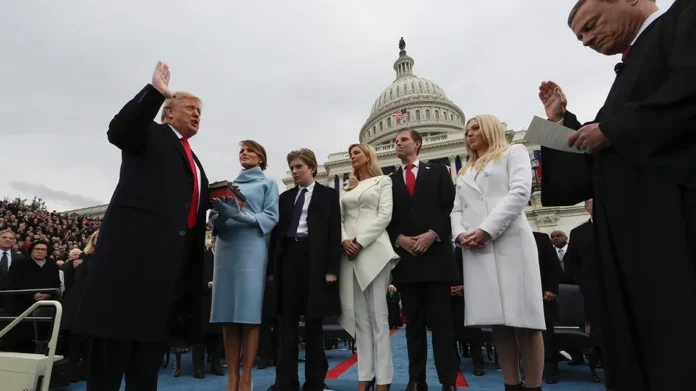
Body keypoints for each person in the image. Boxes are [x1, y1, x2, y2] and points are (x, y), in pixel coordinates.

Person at [538, 1, 696, 389]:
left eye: (590, 25)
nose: (587, 40)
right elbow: (597, 164)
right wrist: (562, 123)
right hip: (631, 243)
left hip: (675, 229)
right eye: (579, 36)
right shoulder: (629, 66)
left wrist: (612, 130)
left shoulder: (684, 18)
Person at [74, 61, 210, 391]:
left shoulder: (193, 159)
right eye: (190, 108)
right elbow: (118, 130)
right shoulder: (151, 133)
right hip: (129, 271)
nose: (196, 115)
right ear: (169, 112)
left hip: (164, 280)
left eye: (200, 112)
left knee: (144, 369)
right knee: (109, 363)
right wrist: (154, 92)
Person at [450, 115, 545, 391]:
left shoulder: (512, 153)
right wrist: (459, 235)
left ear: (491, 128)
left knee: (525, 321)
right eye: (467, 130)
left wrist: (486, 230)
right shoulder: (464, 171)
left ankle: (533, 386)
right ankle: (511, 384)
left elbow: (519, 192)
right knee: (499, 324)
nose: (470, 134)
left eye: (476, 128)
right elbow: (456, 209)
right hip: (476, 250)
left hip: (510, 243)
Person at [387, 129, 459, 391]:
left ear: (417, 144)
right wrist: (400, 239)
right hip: (408, 262)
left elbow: (450, 207)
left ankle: (448, 381)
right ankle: (417, 380)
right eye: (396, 141)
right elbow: (387, 219)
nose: (398, 143)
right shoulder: (389, 180)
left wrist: (433, 234)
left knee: (442, 325)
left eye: (403, 139)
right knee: (413, 326)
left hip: (436, 258)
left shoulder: (439, 173)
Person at [267, 148, 341, 391]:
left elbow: (333, 233)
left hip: (314, 261)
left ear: (312, 167)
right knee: (286, 325)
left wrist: (331, 268)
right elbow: (276, 236)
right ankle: (285, 382)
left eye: (299, 167)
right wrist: (271, 269)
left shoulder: (329, 195)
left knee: (314, 325)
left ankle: (315, 383)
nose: (294, 172)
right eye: (291, 168)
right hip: (288, 260)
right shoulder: (285, 198)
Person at [210, 140, 279, 391]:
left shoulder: (268, 183)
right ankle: (232, 377)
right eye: (241, 150)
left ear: (261, 157)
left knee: (248, 314)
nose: (244, 153)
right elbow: (216, 221)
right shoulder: (228, 185)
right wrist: (218, 215)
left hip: (252, 246)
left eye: (250, 150)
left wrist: (243, 215)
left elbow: (271, 217)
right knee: (228, 314)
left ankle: (246, 376)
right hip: (227, 247)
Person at [338, 143, 399, 391]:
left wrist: (360, 242)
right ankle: (365, 376)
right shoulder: (346, 188)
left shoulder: (383, 181)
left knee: (379, 318)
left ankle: (384, 379)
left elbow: (385, 216)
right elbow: (340, 219)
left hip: (373, 251)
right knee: (360, 319)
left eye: (357, 153)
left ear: (368, 156)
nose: (352, 157)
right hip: (348, 254)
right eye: (350, 153)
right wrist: (344, 240)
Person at [531, 232, 563, 384]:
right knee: (526, 335)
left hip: (543, 294)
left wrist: (551, 288)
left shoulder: (540, 238)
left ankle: (551, 369)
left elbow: (553, 266)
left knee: (547, 335)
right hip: (519, 295)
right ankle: (532, 370)